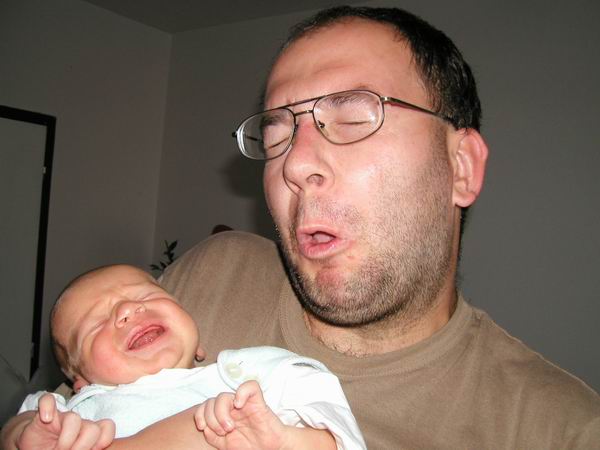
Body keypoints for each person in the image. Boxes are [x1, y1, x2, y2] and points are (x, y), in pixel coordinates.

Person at [3, 5, 600, 449]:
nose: (294, 163)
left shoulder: (559, 429)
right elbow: (66, 410)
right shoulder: (211, 272)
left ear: (460, 167)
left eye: (354, 116)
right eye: (278, 135)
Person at [14, 264, 365, 449]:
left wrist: (285, 443)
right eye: (97, 323)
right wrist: (22, 435)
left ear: (197, 342)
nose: (127, 310)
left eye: (145, 296)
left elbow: (329, 416)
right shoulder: (74, 412)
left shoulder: (240, 375)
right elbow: (22, 426)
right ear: (81, 383)